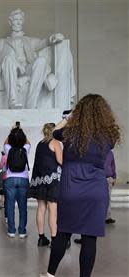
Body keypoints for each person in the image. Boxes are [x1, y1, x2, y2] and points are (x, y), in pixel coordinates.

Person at [40, 94, 121, 277]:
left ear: (79, 113)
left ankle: (50, 274)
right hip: (96, 192)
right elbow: (112, 133)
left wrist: (68, 118)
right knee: (89, 238)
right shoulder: (107, 136)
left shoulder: (69, 133)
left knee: (63, 233)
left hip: (71, 189)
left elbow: (54, 133)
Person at [0, 9, 70, 109]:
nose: (18, 22)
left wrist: (52, 38)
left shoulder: (29, 40)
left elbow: (43, 42)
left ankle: (31, 103)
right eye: (16, 20)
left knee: (41, 61)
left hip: (27, 69)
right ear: (10, 22)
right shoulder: (2, 43)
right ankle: (13, 101)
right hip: (11, 69)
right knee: (9, 59)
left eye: (20, 20)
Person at [28, 123, 62, 247]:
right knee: (53, 210)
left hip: (40, 180)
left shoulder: (40, 144)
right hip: (52, 181)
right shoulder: (55, 143)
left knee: (41, 208)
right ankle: (54, 239)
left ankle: (41, 238)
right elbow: (61, 161)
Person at [74, 149, 118, 245]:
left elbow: (113, 165)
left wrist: (114, 176)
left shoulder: (110, 152)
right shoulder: (95, 151)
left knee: (108, 199)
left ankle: (106, 217)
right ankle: (97, 219)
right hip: (98, 178)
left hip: (108, 178)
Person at [3, 126, 30, 238]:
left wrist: (12, 131)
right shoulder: (25, 148)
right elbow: (28, 142)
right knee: (23, 206)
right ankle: (22, 231)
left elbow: (5, 142)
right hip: (23, 179)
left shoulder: (8, 149)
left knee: (10, 206)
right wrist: (21, 131)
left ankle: (11, 230)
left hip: (10, 179)